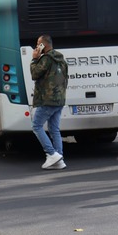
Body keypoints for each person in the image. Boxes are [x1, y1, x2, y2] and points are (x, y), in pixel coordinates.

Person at [30, 35, 69, 170]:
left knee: (36, 126)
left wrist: (34, 59)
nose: (36, 47)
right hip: (59, 99)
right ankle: (59, 159)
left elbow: (35, 74)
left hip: (47, 99)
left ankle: (52, 154)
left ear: (43, 45)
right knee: (54, 129)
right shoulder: (61, 59)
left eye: (38, 44)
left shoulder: (45, 59)